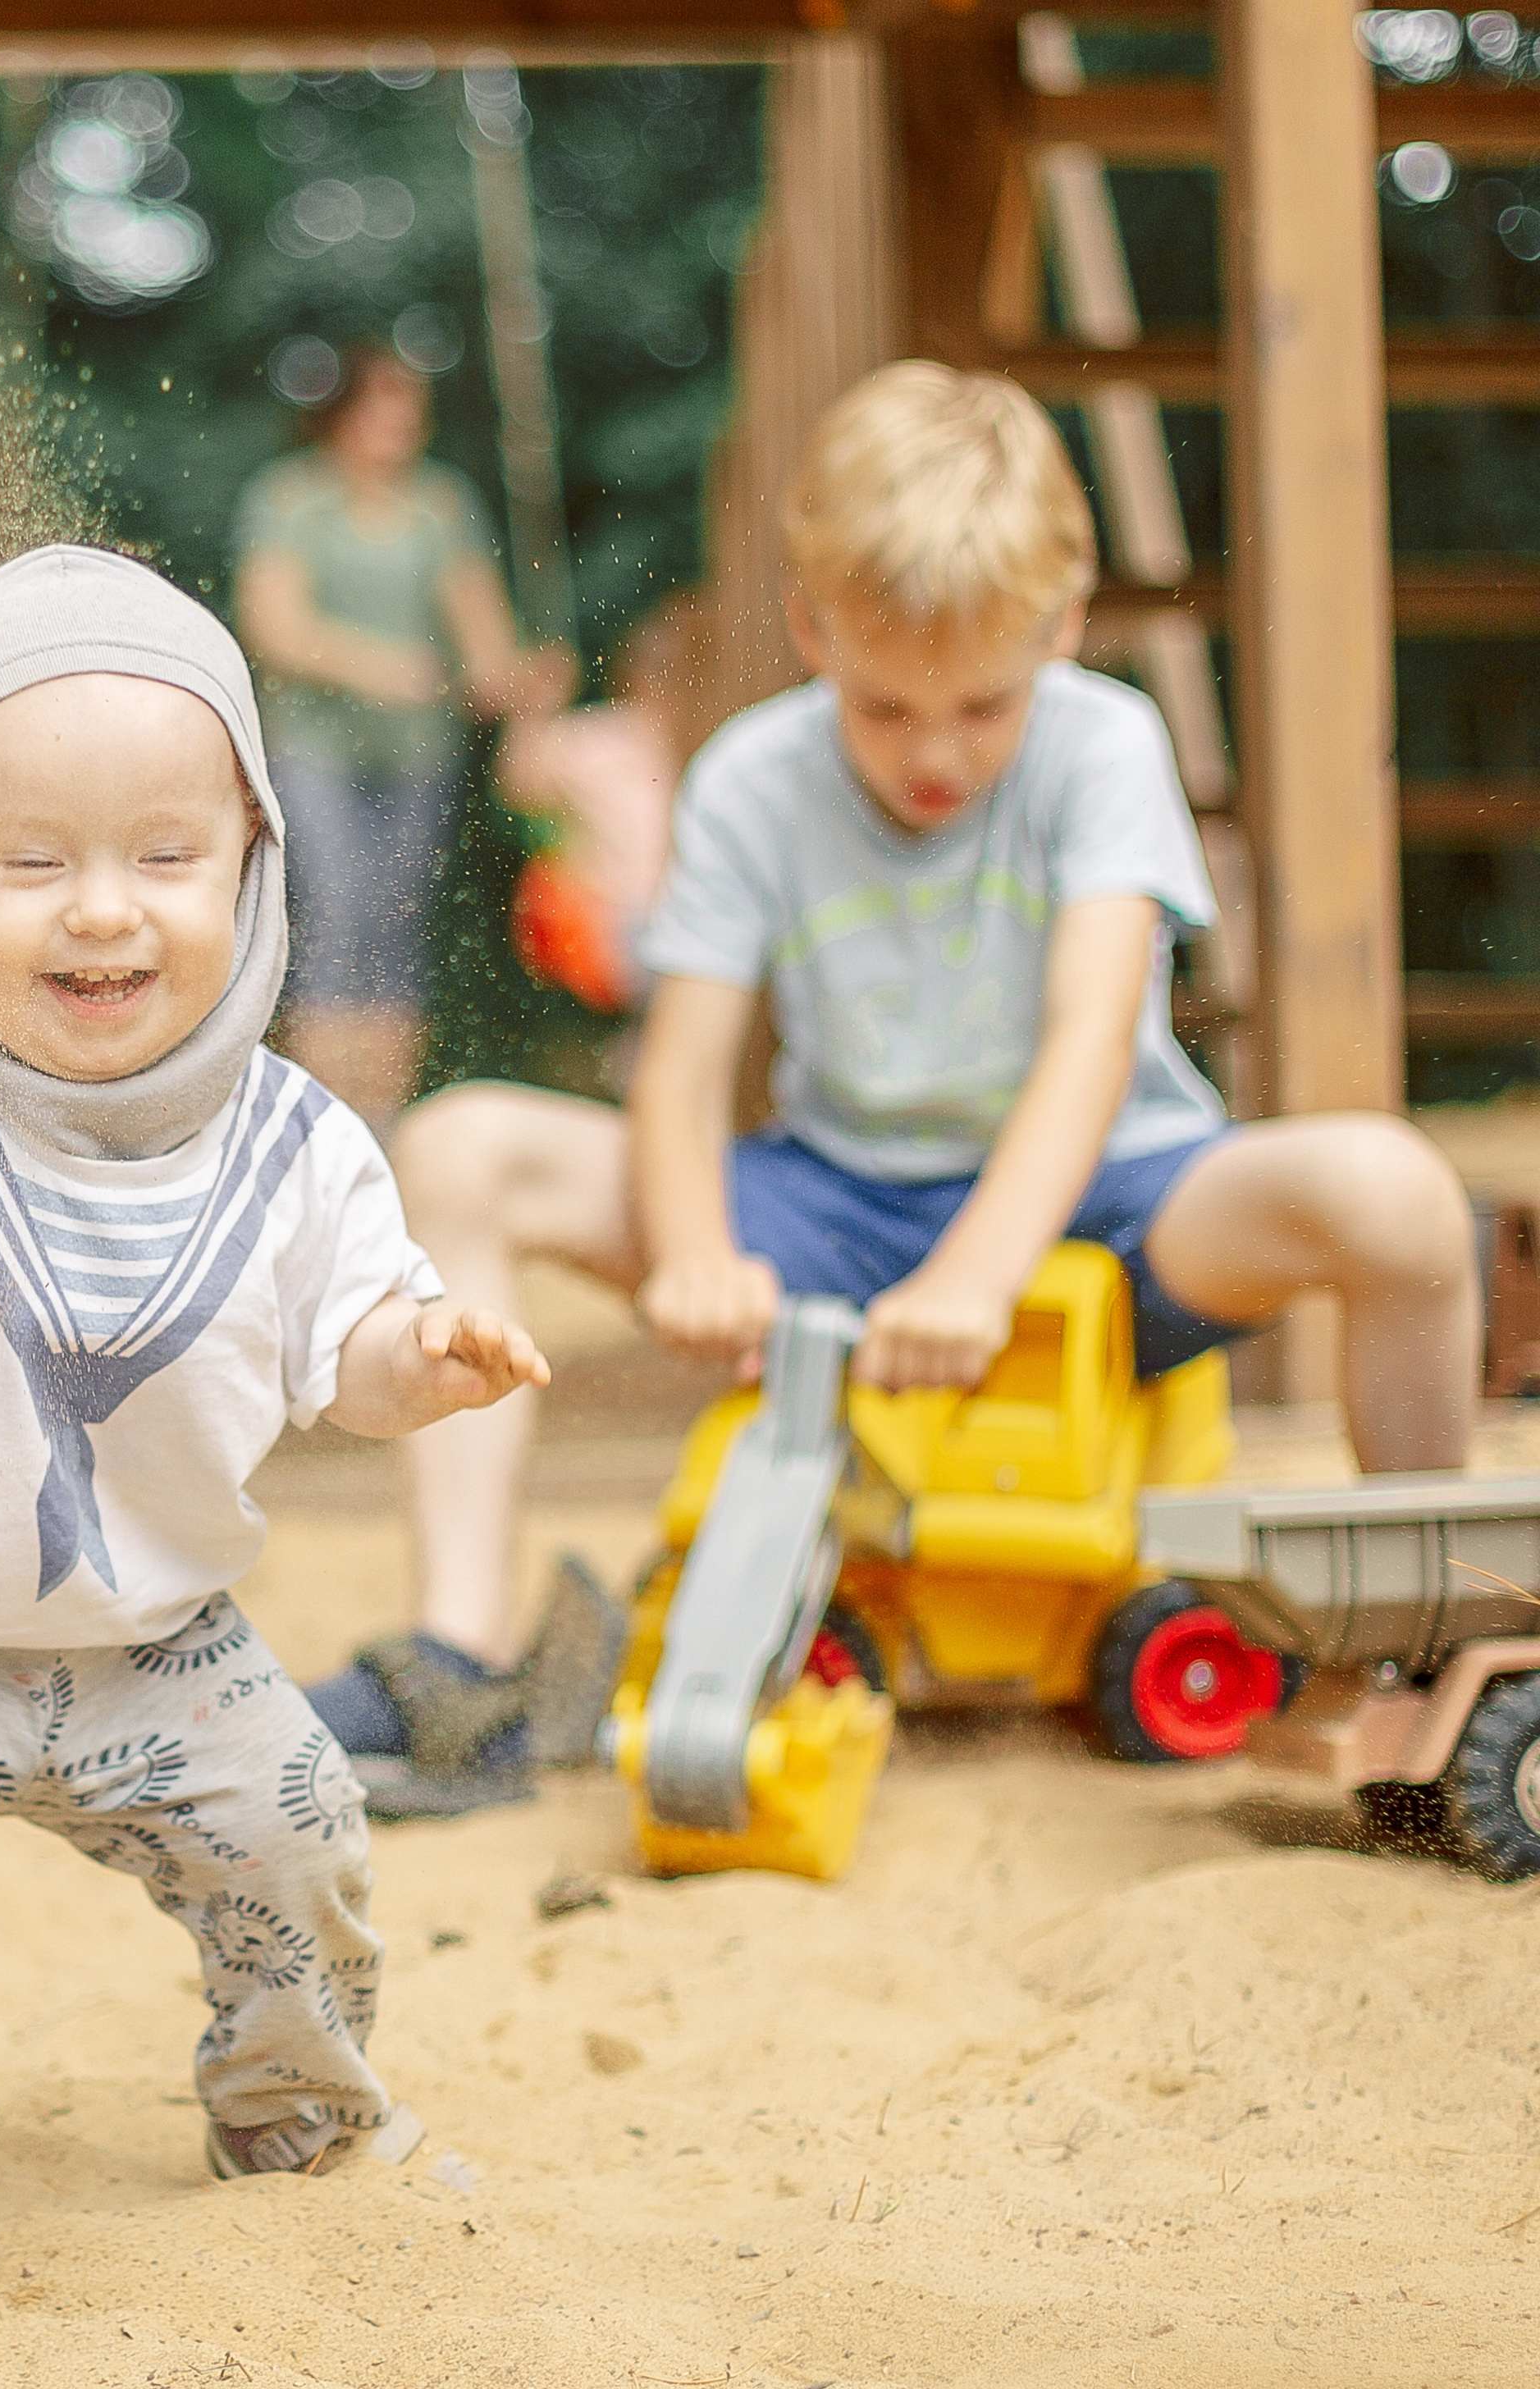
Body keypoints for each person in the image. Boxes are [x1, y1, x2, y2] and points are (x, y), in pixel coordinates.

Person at [312, 360, 1479, 1791]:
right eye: (885, 707)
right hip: (837, 1202)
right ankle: (463, 1670)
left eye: (984, 707)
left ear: (1060, 624)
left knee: (1397, 1196)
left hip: (1112, 1202)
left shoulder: (1102, 744)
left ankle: (1417, 1655)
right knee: (459, 1148)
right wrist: (690, 1252)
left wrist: (984, 1272)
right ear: (813, 628)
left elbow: (1091, 1041)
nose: (936, 753)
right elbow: (682, 1069)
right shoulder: (752, 776)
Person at [0, 546, 548, 2331]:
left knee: (298, 1816)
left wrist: (419, 1350)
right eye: (30, 862)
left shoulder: (295, 1140)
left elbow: (345, 1359)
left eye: (164, 855)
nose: (101, 911)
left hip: (146, 1637)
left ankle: (298, 2115)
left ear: (252, 864)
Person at [233, 344, 574, 1131]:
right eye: (385, 403)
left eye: (410, 406)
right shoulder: (290, 500)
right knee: (337, 919)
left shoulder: (441, 506)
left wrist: (521, 677)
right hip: (315, 750)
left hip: (419, 756)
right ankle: (315, 1125)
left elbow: (482, 644)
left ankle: (376, 1132)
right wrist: (375, 664)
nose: (402, 421)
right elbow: (273, 626)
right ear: (342, 411)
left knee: (395, 932)